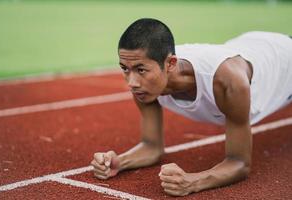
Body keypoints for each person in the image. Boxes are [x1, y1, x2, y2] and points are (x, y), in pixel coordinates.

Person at [91, 18, 292, 197]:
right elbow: (152, 147)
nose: (131, 82)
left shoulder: (227, 81)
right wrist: (119, 162)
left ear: (170, 64)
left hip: (284, 59)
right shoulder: (145, 83)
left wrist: (192, 182)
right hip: (251, 44)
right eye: (124, 68)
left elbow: (240, 163)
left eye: (140, 70)